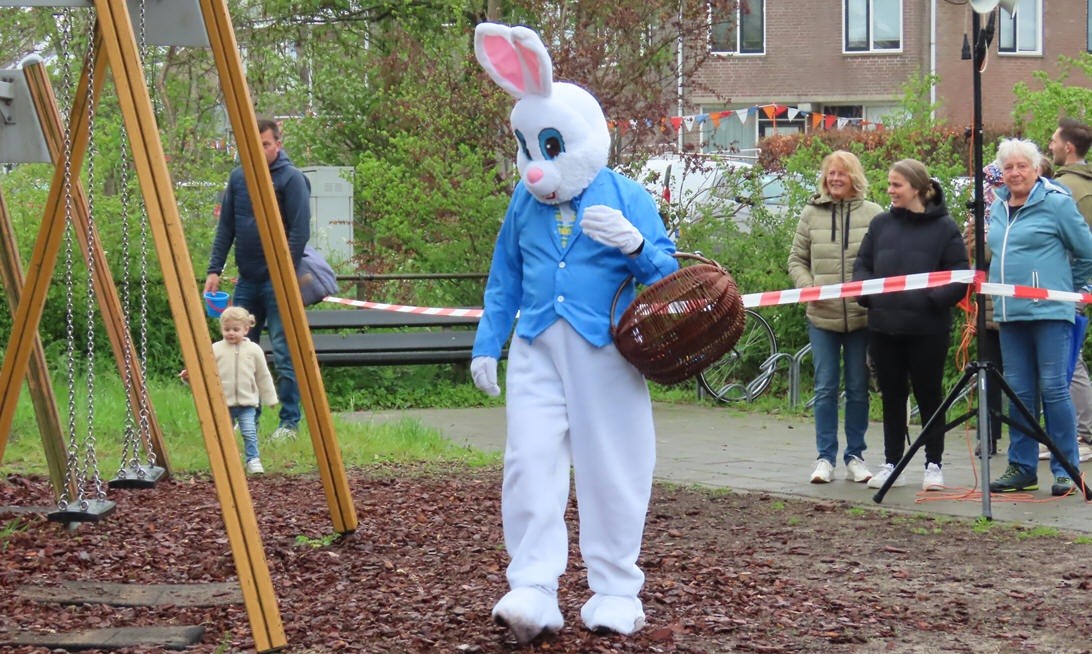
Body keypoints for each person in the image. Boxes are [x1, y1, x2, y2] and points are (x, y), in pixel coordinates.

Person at [470, 23, 678, 644]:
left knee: (613, 465)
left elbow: (669, 275)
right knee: (528, 462)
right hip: (537, 346)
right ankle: (533, 585)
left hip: (605, 351)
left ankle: (616, 589)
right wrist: (488, 342)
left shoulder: (626, 195)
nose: (536, 166)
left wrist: (636, 246)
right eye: (527, 147)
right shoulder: (522, 202)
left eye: (550, 146)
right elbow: (505, 275)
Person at [854, 159, 969, 492]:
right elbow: (862, 264)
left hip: (927, 330)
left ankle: (934, 464)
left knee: (929, 395)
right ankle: (892, 463)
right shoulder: (880, 224)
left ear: (917, 188)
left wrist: (931, 300)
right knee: (892, 397)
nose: (890, 190)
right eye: (889, 184)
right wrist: (868, 294)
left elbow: (960, 274)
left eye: (897, 185)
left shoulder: (945, 228)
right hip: (883, 327)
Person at [988, 138, 1092, 497]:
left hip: (1050, 312)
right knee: (1019, 393)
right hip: (1009, 313)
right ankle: (1022, 467)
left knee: (1053, 388)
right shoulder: (998, 206)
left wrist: (1068, 289)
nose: (1015, 173)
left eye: (1022, 166)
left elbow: (1086, 251)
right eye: (1008, 167)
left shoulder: (1057, 202)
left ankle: (1066, 469)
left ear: (1036, 169)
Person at [205, 118, 311, 442]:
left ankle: (289, 423)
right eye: (254, 144)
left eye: (265, 144)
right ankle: (246, 417)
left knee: (283, 351)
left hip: (277, 282)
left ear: (278, 144)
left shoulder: (292, 179)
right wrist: (214, 269)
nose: (260, 150)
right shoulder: (239, 178)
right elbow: (226, 227)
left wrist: (285, 272)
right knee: (239, 350)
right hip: (247, 280)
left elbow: (299, 232)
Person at [787, 151, 882, 484]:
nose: (835, 179)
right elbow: (796, 259)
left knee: (857, 388)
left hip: (860, 317)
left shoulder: (874, 214)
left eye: (842, 173)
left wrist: (871, 293)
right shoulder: (810, 214)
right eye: (831, 174)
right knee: (825, 387)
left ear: (854, 177)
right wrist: (807, 287)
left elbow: (883, 261)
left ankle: (855, 456)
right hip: (821, 317)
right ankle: (824, 458)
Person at [180, 307, 279, 474]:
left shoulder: (254, 350)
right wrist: (189, 377)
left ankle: (253, 460)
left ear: (246, 329)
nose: (231, 333)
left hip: (247, 403)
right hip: (223, 402)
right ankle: (226, 461)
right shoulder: (215, 349)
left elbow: (263, 376)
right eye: (227, 329)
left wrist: (270, 399)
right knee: (224, 435)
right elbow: (204, 372)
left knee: (249, 431)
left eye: (235, 329)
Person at [1048, 118, 1092, 464]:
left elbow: (1082, 245)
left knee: (1068, 357)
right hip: (1073, 285)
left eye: (1053, 141)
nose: (1049, 146)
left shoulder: (1065, 189)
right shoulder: (1082, 185)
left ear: (1069, 147)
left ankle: (1082, 434)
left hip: (1067, 286)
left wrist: (1074, 284)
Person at [963, 161, 1006, 457]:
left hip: (1019, 307)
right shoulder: (979, 216)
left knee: (1023, 379)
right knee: (988, 375)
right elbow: (973, 251)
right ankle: (987, 435)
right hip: (988, 308)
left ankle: (1027, 437)